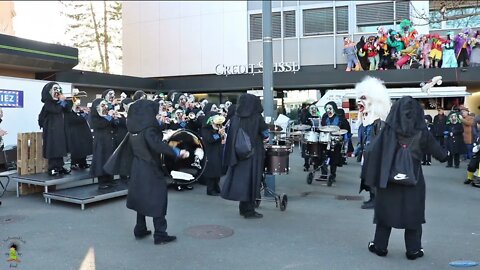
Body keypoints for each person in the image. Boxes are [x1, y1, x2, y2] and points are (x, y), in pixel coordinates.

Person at [363, 96, 447, 260]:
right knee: (413, 215)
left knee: (385, 214)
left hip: (388, 179)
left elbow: (372, 151)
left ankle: (380, 246)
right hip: (413, 180)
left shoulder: (387, 130)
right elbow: (441, 155)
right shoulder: (422, 132)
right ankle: (413, 250)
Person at [104, 99, 189, 245]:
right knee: (158, 198)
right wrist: (177, 151)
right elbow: (156, 145)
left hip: (138, 167)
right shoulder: (148, 129)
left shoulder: (134, 129)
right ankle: (160, 234)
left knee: (141, 198)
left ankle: (140, 229)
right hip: (151, 167)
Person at [221, 93, 269, 219]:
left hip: (238, 154)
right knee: (253, 180)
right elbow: (265, 133)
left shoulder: (235, 117)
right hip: (253, 154)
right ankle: (249, 210)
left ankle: (243, 208)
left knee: (242, 181)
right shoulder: (256, 117)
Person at [39, 82, 71, 176]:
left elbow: (67, 109)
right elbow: (56, 110)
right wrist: (61, 101)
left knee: (60, 148)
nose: (57, 92)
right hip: (51, 129)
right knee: (53, 148)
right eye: (55, 89)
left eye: (58, 89)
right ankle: (52, 168)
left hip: (60, 129)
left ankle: (60, 166)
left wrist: (65, 101)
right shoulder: (48, 103)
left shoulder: (59, 102)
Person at [320, 101, 350, 186]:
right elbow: (322, 127)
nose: (328, 110)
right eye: (326, 109)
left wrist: (342, 134)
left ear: (334, 109)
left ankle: (333, 174)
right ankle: (324, 173)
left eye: (330, 108)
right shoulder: (325, 116)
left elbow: (346, 128)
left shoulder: (340, 118)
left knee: (334, 158)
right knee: (323, 156)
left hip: (336, 140)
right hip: (325, 139)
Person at [201, 112, 226, 196]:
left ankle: (216, 187)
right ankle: (210, 189)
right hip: (210, 151)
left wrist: (221, 134)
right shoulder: (205, 129)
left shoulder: (218, 127)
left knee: (217, 169)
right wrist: (218, 134)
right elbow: (210, 139)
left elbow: (221, 139)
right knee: (211, 170)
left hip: (218, 150)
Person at [64, 98, 92, 170]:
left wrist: (82, 112)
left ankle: (82, 163)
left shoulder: (76, 112)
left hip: (81, 134)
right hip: (75, 134)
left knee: (83, 148)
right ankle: (74, 163)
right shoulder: (68, 113)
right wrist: (85, 114)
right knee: (76, 149)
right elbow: (77, 120)